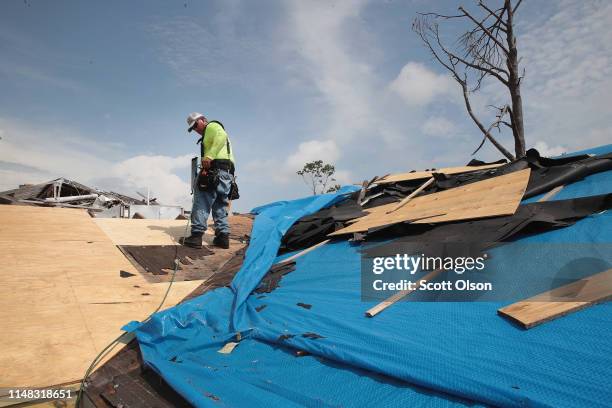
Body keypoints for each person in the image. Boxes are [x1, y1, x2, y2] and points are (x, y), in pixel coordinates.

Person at [180, 112, 235, 249]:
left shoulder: (212, 126)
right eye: (192, 128)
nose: (196, 130)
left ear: (203, 120)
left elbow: (221, 136)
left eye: (196, 125)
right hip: (226, 174)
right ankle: (223, 237)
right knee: (220, 204)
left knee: (202, 202)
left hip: (214, 171)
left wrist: (209, 156)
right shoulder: (210, 131)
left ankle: (196, 236)